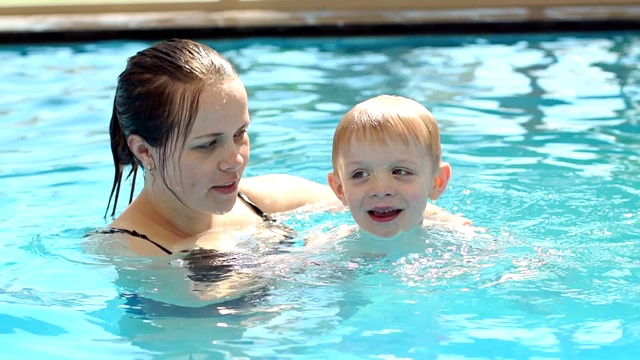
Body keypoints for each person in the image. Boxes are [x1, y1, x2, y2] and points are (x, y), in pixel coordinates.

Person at [92, 38, 337, 257]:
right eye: (207, 144)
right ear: (144, 151)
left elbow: (360, 199)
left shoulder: (258, 201)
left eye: (240, 133)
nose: (235, 160)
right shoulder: (125, 250)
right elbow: (196, 300)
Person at [327, 94, 469, 239]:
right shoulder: (327, 248)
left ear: (437, 182)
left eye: (400, 172)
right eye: (360, 174)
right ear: (340, 189)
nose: (381, 190)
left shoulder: (455, 242)